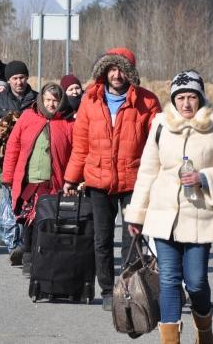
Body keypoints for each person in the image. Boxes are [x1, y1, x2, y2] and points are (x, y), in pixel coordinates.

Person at [125, 70, 213, 343]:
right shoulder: (160, 125)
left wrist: (205, 177)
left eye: (192, 97)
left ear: (200, 98)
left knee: (196, 282)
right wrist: (137, 215)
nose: (186, 103)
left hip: (200, 215)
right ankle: (170, 340)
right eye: (181, 97)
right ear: (173, 99)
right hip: (163, 215)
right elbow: (147, 172)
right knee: (168, 279)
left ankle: (204, 327)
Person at [62, 47, 161, 311]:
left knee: (132, 239)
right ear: (105, 71)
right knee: (101, 239)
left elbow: (157, 144)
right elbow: (81, 146)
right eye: (112, 69)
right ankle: (107, 290)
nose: (117, 75)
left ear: (131, 73)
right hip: (98, 182)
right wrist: (71, 178)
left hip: (134, 182)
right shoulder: (90, 101)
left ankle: (129, 289)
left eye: (122, 70)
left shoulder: (148, 102)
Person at [1, 83, 74, 275]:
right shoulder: (28, 117)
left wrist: (74, 180)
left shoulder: (67, 123)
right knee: (29, 222)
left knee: (48, 223)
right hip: (30, 181)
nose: (51, 104)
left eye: (55, 101)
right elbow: (13, 147)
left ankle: (45, 259)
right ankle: (27, 258)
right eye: (48, 100)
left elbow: (75, 153)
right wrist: (7, 176)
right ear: (41, 100)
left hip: (54, 184)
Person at [0, 60, 38, 265]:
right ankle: (14, 245)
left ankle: (22, 242)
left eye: (22, 77)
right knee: (12, 202)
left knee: (28, 204)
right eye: (14, 78)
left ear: (27, 78)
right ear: (8, 80)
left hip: (33, 160)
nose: (19, 82)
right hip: (8, 160)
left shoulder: (36, 100)